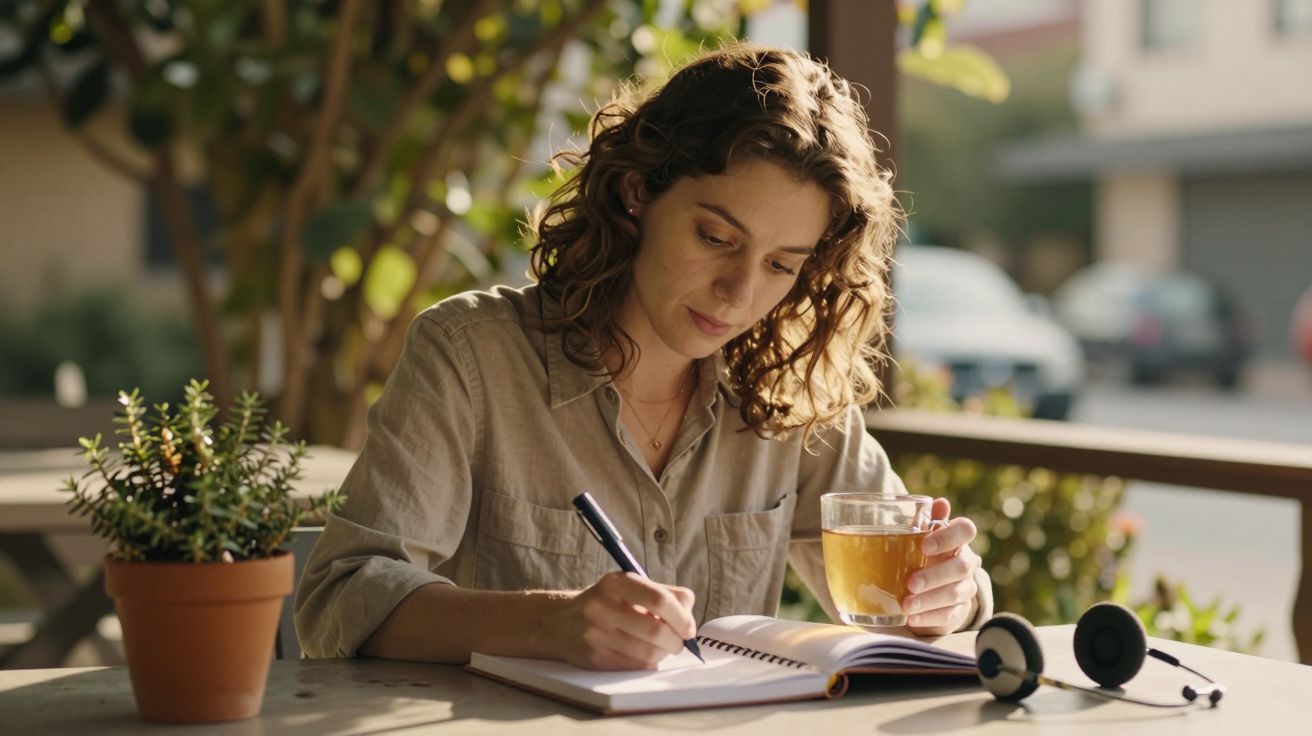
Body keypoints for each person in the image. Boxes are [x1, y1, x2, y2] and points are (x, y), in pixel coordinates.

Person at [295, 42, 992, 670]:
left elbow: (928, 586)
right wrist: (548, 623)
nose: (740, 292)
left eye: (781, 265)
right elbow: (340, 599)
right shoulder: (471, 358)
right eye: (716, 238)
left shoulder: (787, 394)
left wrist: (949, 593)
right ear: (637, 192)